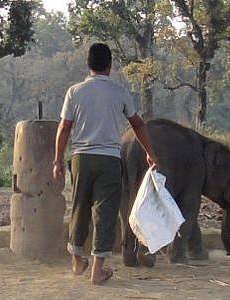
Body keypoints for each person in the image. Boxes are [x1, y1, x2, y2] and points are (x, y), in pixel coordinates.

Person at [53, 43, 158, 285]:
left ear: (88, 65)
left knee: (79, 206)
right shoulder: (119, 93)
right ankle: (97, 270)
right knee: (105, 212)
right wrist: (150, 153)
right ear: (109, 66)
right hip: (110, 159)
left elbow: (64, 127)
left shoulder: (75, 92)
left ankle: (77, 256)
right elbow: (138, 125)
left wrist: (58, 160)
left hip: (81, 158)